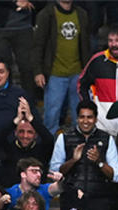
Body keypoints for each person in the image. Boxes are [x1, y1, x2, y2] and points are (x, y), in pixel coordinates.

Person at [50, 100, 118, 210]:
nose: (85, 121)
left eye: (89, 117)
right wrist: (73, 161)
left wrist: (100, 162)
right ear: (77, 118)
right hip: (71, 200)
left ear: (96, 119)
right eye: (82, 117)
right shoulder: (64, 138)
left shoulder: (107, 139)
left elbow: (116, 175)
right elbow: (55, 171)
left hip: (98, 201)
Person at [31, 0, 91, 135]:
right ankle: (49, 150)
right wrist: (38, 71)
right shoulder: (46, 14)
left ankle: (80, 148)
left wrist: (87, 71)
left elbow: (86, 45)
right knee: (51, 117)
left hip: (78, 74)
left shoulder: (81, 14)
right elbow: (38, 45)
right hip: (54, 74)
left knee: (80, 117)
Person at [0, 98, 54, 188]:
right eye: (21, 131)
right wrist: (17, 119)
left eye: (30, 132)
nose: (25, 136)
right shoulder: (9, 148)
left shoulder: (41, 150)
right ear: (15, 133)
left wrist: (31, 118)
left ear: (36, 135)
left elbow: (49, 139)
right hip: (12, 194)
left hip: (36, 194)